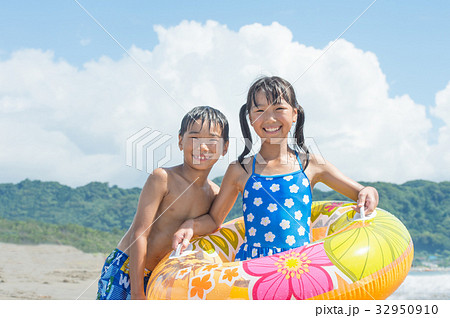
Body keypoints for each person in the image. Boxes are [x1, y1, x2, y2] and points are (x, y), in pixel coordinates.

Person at [172, 76, 379, 261]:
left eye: (279, 109)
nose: (269, 119)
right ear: (250, 119)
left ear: (295, 113)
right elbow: (214, 219)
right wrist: (191, 225)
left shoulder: (311, 164)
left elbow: (360, 192)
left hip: (298, 264)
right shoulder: (240, 170)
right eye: (260, 111)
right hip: (253, 267)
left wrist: (369, 191)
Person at [96, 106, 229, 299]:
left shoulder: (215, 194)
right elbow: (140, 233)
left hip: (162, 277)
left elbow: (214, 221)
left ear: (224, 147)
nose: (203, 147)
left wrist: (191, 224)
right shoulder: (163, 178)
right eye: (194, 138)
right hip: (127, 268)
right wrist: (137, 293)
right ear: (180, 141)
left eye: (212, 140)